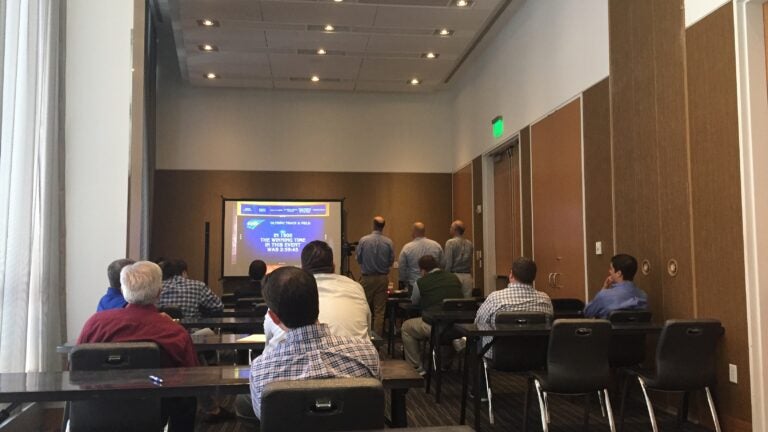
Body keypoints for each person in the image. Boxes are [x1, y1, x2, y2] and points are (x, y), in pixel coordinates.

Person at [77, 261, 198, 430]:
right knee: (187, 398)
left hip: (95, 413)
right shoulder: (174, 332)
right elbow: (192, 378)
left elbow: (75, 368)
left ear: (123, 291)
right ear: (159, 293)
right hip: (154, 416)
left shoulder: (95, 324)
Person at [249, 266, 380, 420]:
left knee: (243, 404)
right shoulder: (367, 352)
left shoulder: (260, 370)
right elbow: (375, 404)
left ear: (274, 318)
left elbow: (264, 418)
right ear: (317, 302)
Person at [263, 241, 371, 352]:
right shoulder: (355, 288)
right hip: (357, 356)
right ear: (333, 266)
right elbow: (367, 328)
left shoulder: (286, 291)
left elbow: (269, 340)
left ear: (302, 269)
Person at [474, 257, 553, 356]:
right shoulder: (545, 299)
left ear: (511, 275)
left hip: (499, 357)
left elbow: (477, 324)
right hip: (535, 357)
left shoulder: (495, 298)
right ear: (534, 278)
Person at [401, 255, 463, 375]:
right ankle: (445, 363)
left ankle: (416, 368)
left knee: (406, 327)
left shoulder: (420, 282)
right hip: (458, 326)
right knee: (448, 330)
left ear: (423, 270)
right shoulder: (454, 278)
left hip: (435, 325)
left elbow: (414, 302)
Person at [356, 216, 395, 337]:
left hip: (367, 278)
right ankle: (377, 338)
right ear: (383, 227)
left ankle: (364, 336)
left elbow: (358, 259)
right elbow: (391, 261)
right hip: (382, 279)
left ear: (373, 225)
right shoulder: (388, 242)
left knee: (363, 308)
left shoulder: (364, 240)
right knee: (380, 311)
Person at [584, 253, 648, 318]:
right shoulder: (643, 296)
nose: (609, 271)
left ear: (618, 273)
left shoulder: (604, 296)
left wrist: (604, 288)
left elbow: (587, 313)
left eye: (611, 269)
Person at [158, 258, 223, 320]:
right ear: (184, 273)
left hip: (161, 327)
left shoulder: (158, 287)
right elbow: (218, 306)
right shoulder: (199, 286)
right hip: (189, 327)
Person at [398, 222, 443, 291]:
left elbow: (402, 267)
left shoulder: (407, 248)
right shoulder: (436, 246)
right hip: (433, 284)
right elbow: (442, 264)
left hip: (414, 284)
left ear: (414, 232)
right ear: (423, 232)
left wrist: (403, 282)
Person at [444, 220, 474, 298]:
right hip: (467, 276)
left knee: (454, 299)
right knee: (467, 300)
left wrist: (446, 277)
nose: (450, 229)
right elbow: (470, 261)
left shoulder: (450, 243)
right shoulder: (469, 243)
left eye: (451, 227)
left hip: (455, 276)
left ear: (456, 230)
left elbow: (448, 263)